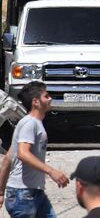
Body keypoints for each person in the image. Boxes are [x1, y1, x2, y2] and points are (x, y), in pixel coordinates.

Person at [0, 81, 69, 218]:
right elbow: (22, 154)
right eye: (46, 96)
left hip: (34, 193)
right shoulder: (30, 124)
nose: (50, 99)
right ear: (36, 102)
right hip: (23, 195)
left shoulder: (30, 123)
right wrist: (51, 171)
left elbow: (8, 159)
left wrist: (1, 192)